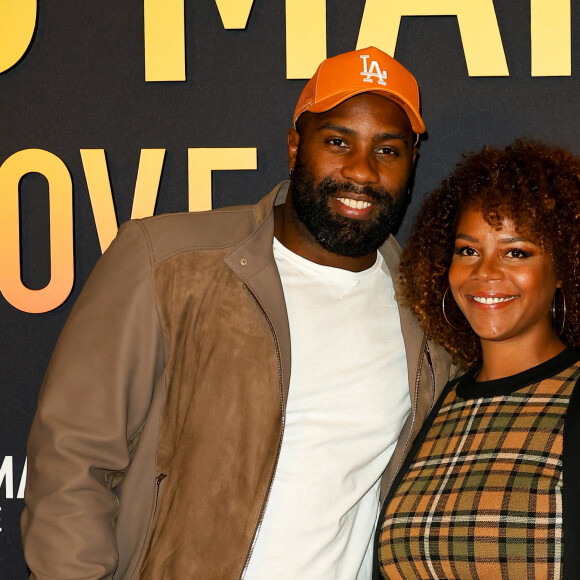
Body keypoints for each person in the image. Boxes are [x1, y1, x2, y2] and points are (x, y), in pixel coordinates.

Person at [21, 47, 451, 579]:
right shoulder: (167, 260)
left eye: (388, 150)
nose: (361, 170)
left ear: (411, 164)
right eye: (338, 141)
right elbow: (72, 459)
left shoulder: (426, 311)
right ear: (296, 145)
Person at [375, 139, 580, 579]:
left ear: (563, 267)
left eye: (516, 252)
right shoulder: (439, 404)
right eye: (468, 250)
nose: (484, 272)